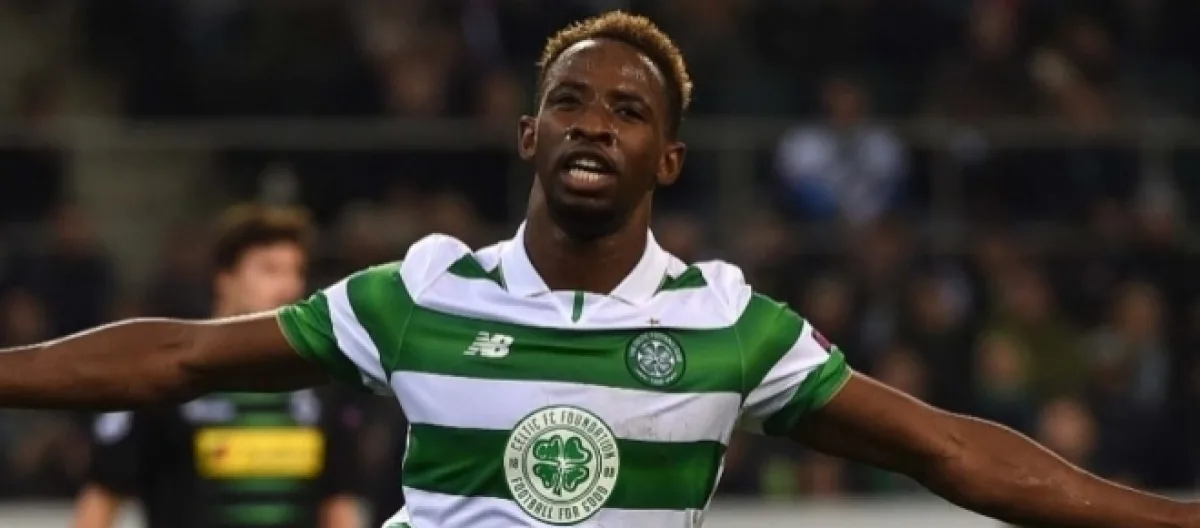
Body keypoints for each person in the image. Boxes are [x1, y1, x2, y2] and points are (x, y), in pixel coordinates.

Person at [3, 11, 1197, 528]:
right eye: (569, 101)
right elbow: (180, 357)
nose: (593, 122)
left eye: (627, 110)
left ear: (667, 158)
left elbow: (949, 450)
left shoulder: (729, 326)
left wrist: (1167, 517)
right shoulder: (421, 293)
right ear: (530, 135)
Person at [71, 205, 363, 528]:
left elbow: (339, 505)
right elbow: (101, 499)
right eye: (270, 270)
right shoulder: (167, 377)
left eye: (296, 272)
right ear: (226, 279)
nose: (289, 287)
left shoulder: (324, 383)